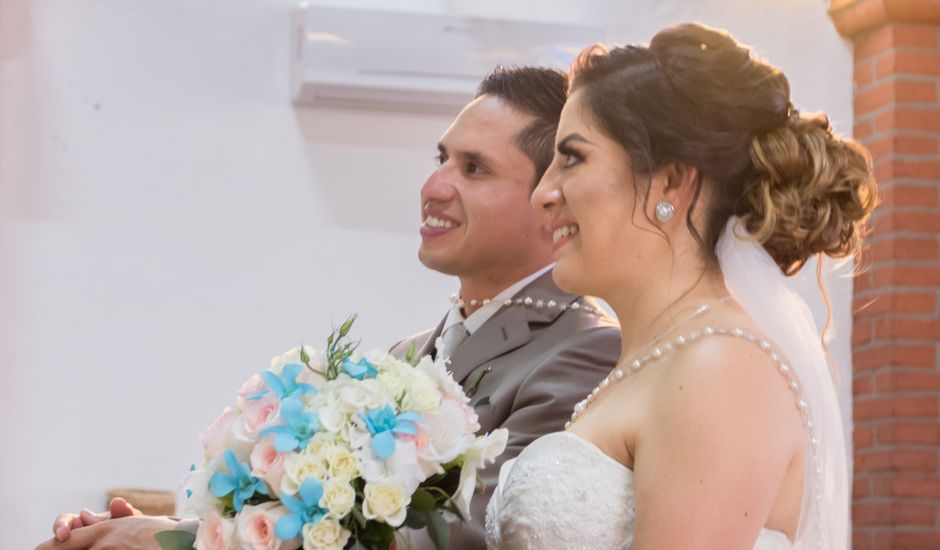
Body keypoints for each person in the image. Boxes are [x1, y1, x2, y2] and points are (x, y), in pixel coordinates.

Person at [37, 66, 621, 550]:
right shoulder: (409, 354)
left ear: (552, 199)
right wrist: (164, 533)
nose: (433, 185)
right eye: (441, 157)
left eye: (474, 169)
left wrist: (180, 545)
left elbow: (461, 536)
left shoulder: (585, 348)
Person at [485, 23, 876, 550]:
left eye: (573, 158)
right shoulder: (657, 359)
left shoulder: (721, 367)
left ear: (671, 181)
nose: (542, 193)